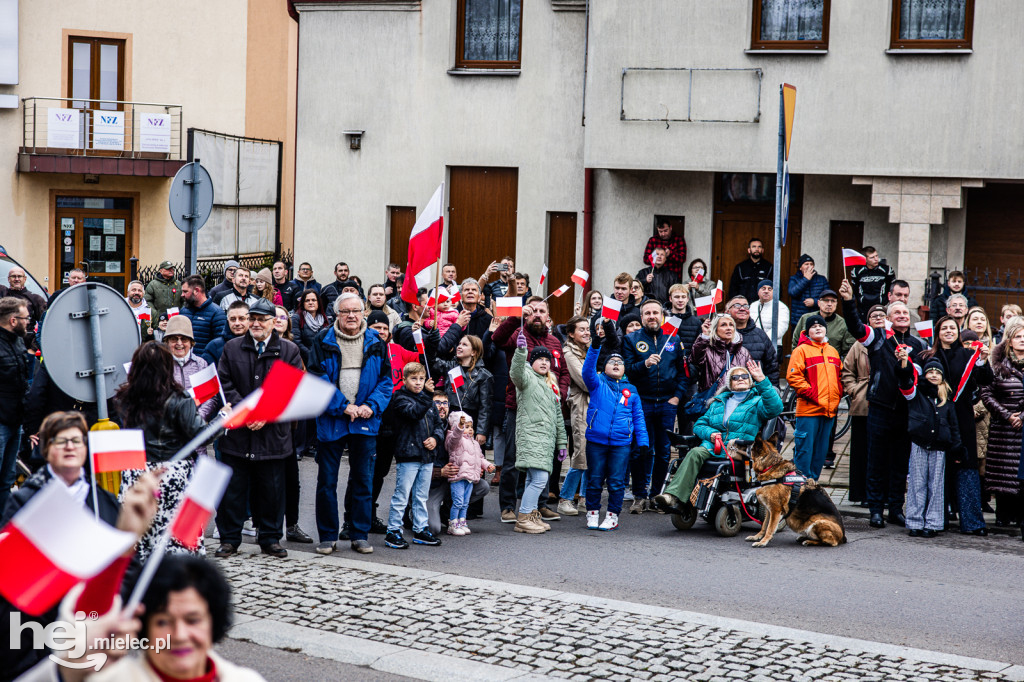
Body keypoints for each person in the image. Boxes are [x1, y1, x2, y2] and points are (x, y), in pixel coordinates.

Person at [1, 412, 160, 681]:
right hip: (37, 630)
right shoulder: (26, 501)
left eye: (77, 441)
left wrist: (110, 600)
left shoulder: (104, 502)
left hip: (91, 623)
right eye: (61, 441)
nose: (70, 447)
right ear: (47, 449)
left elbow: (127, 560)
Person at [116, 342, 222, 561]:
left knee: (140, 535)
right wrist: (222, 419)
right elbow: (201, 435)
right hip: (172, 473)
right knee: (177, 537)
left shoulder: (125, 398)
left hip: (137, 472)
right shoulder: (179, 399)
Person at [214, 298, 303, 559]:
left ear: (273, 323)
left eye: (261, 319)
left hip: (272, 434)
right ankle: (230, 539)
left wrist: (265, 414)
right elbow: (225, 384)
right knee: (233, 490)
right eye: (252, 318)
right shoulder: (231, 348)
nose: (254, 323)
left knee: (272, 490)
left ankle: (271, 538)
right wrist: (248, 411)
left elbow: (290, 388)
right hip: (239, 432)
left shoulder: (288, 350)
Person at [839, 278, 927, 529]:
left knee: (900, 464)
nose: (901, 315)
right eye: (895, 312)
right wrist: (849, 302)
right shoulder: (877, 338)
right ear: (889, 318)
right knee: (876, 462)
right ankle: (876, 510)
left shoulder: (919, 345)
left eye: (904, 312)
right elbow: (856, 327)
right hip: (879, 407)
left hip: (906, 411)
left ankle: (895, 509)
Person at [308, 293, 392, 555]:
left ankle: (359, 534)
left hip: (365, 420)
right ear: (337, 314)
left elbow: (386, 382)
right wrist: (343, 405)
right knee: (327, 481)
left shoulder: (376, 341)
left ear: (363, 312)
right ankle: (328, 536)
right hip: (333, 419)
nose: (352, 316)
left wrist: (371, 406)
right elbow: (316, 379)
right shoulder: (322, 340)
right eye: (346, 312)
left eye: (356, 311)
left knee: (363, 481)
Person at [654, 362, 782, 515]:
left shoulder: (757, 402)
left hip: (739, 448)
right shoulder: (718, 402)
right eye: (736, 377)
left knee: (710, 459)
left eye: (744, 376)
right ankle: (672, 497)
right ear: (730, 383)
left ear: (750, 381)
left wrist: (762, 379)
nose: (740, 379)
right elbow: (699, 424)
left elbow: (776, 408)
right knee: (694, 453)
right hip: (714, 445)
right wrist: (710, 434)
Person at [491, 299, 570, 524]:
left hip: (546, 411)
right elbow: (497, 339)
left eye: (541, 311)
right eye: (533, 311)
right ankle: (508, 507)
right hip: (518, 409)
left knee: (543, 457)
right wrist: (516, 317)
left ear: (548, 317)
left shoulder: (555, 341)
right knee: (512, 458)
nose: (537, 314)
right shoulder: (518, 334)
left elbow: (563, 372)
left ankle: (540, 505)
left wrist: (560, 393)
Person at [918, 316, 992, 536]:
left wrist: (983, 361)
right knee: (939, 469)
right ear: (937, 332)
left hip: (963, 419)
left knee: (966, 468)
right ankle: (936, 520)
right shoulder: (928, 356)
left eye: (953, 328)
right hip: (938, 419)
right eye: (944, 328)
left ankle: (972, 522)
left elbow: (986, 380)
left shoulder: (970, 355)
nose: (948, 331)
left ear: (958, 332)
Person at [622, 300, 689, 508]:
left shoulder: (674, 339)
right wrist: (645, 364)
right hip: (642, 403)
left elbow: (683, 373)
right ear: (641, 317)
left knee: (663, 452)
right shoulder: (631, 339)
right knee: (641, 449)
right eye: (647, 313)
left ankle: (656, 495)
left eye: (655, 313)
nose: (651, 316)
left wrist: (677, 396)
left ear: (662, 316)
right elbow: (626, 370)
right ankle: (639, 495)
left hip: (667, 403)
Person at [582, 324, 649, 531]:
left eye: (620, 362)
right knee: (594, 480)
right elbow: (587, 370)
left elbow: (638, 417)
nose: (617, 363)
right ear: (605, 367)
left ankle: (612, 515)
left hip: (621, 443)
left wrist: (643, 441)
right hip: (596, 441)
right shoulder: (596, 383)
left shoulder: (632, 390)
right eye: (612, 361)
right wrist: (594, 347)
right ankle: (592, 513)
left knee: (617, 482)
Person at [896, 350, 963, 538]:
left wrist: (957, 448)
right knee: (917, 484)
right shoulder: (915, 395)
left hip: (939, 449)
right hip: (919, 445)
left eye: (937, 372)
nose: (934, 375)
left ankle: (932, 523)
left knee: (936, 487)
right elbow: (904, 381)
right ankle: (915, 521)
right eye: (930, 372)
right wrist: (903, 363)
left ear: (942, 378)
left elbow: (954, 426)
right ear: (924, 375)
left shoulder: (947, 402)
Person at [509, 330, 568, 534]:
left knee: (534, 480)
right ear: (532, 361)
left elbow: (558, 417)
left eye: (547, 359)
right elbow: (516, 372)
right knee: (540, 480)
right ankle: (524, 517)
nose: (544, 362)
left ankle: (531, 513)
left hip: (546, 440)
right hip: (531, 437)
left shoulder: (551, 384)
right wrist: (521, 351)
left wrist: (562, 443)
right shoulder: (526, 378)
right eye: (540, 359)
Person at [382, 362, 445, 549]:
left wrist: (435, 438)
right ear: (404, 379)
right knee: (402, 494)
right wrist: (427, 395)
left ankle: (420, 528)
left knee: (421, 495)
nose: (418, 383)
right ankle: (393, 530)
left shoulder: (429, 400)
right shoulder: (400, 398)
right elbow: (413, 413)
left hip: (426, 456)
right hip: (408, 454)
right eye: (414, 379)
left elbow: (438, 425)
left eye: (421, 379)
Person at [271, 304, 314, 544]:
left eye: (282, 317)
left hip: (290, 424)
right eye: (274, 317)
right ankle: (267, 526)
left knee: (292, 479)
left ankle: (293, 525)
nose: (278, 320)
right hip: (268, 422)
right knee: (269, 480)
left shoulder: (293, 349)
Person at [979, 316, 1024, 531]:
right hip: (1003, 427)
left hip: (1022, 427)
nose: (1022, 340)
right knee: (1001, 473)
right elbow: (987, 393)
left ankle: (1020, 515)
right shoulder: (997, 366)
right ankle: (1003, 514)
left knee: (1019, 474)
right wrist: (1007, 415)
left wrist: (1021, 417)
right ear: (1009, 340)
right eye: (1018, 336)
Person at [786, 315, 843, 480]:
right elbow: (794, 377)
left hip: (829, 411)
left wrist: (838, 395)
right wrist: (813, 395)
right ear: (807, 331)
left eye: (821, 326)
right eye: (813, 326)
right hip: (809, 410)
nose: (818, 328)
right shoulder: (801, 350)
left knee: (820, 452)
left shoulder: (833, 351)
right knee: (804, 450)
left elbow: (839, 377)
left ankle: (814, 484)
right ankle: (801, 486)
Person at [558, 316, 592, 515]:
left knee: (591, 453)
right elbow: (586, 382)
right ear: (571, 333)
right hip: (580, 405)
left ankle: (584, 498)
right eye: (582, 329)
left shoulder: (586, 349)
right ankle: (565, 498)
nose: (587, 332)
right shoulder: (569, 353)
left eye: (588, 329)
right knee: (581, 452)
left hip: (592, 404)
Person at [163, 316, 222, 429]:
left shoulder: (201, 364)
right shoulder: (160, 364)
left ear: (191, 342)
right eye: (174, 339)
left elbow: (210, 397)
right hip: (168, 433)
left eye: (184, 339)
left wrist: (196, 419)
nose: (179, 343)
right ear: (167, 342)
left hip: (195, 431)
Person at [0, 297, 31, 511]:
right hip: (1, 421)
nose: (29, 322)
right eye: (25, 318)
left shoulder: (18, 341)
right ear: (13, 320)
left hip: (15, 421)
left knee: (7, 478)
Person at [445, 411, 494, 535]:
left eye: (471, 427)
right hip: (458, 476)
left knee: (465, 503)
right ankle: (453, 523)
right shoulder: (455, 439)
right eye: (466, 427)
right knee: (458, 501)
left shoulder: (474, 443)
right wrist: (460, 428)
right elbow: (454, 438)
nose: (470, 429)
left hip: (470, 477)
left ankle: (462, 521)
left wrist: (487, 465)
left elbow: (480, 457)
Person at [689, 314, 752, 395]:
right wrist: (705, 335)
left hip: (738, 399)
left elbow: (750, 377)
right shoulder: (707, 348)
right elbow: (695, 360)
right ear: (715, 329)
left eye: (731, 325)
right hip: (712, 400)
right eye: (723, 325)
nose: (729, 328)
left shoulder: (743, 351)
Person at [791, 289, 856, 365]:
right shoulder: (805, 318)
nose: (829, 304)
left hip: (831, 367)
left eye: (833, 301)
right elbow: (795, 343)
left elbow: (848, 352)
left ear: (837, 304)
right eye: (826, 300)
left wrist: (838, 368)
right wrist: (799, 363)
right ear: (818, 303)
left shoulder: (843, 324)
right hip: (807, 366)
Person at [841, 341, 870, 504]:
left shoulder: (892, 340)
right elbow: (847, 371)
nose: (878, 319)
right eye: (874, 316)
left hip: (887, 403)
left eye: (882, 315)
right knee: (861, 449)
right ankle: (861, 494)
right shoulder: (859, 345)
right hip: (862, 401)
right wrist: (855, 390)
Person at [726, 296, 779, 385]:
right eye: (737, 306)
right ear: (727, 311)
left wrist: (772, 389)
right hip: (725, 391)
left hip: (755, 391)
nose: (742, 309)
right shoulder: (720, 335)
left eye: (746, 306)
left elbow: (772, 366)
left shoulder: (760, 335)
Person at [181, 275, 227, 358]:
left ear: (196, 291)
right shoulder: (184, 311)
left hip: (205, 365)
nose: (182, 295)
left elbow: (219, 345)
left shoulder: (217, 313)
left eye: (185, 291)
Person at [849, 246, 895, 318]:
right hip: (863, 309)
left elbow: (892, 288)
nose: (876, 259)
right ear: (865, 259)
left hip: (881, 307)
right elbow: (854, 290)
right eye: (872, 257)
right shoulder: (857, 271)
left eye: (876, 256)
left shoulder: (887, 270)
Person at [3, 267, 46, 338]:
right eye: (13, 276)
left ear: (25, 279)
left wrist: (33, 347)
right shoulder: (2, 293)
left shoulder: (35, 299)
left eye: (19, 276)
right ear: (8, 279)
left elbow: (44, 325)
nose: (16, 279)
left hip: (26, 344)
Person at [202, 301, 249, 366]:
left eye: (241, 319)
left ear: (249, 320)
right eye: (233, 319)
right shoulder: (214, 347)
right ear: (228, 321)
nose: (237, 323)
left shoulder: (258, 344)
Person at [749, 280, 790, 353]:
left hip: (772, 346)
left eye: (770, 289)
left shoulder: (781, 307)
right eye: (763, 288)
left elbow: (780, 328)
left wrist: (761, 340)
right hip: (753, 345)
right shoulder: (753, 306)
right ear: (758, 291)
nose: (766, 291)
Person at [728, 237, 772, 304]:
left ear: (762, 250)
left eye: (759, 247)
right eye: (754, 246)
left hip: (763, 305)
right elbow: (733, 289)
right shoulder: (740, 267)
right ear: (749, 250)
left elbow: (776, 289)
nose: (757, 249)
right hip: (743, 306)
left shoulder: (769, 267)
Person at [787, 254, 829, 323]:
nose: (809, 266)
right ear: (800, 267)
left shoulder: (822, 279)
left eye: (811, 264)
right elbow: (792, 293)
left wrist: (815, 302)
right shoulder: (794, 279)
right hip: (798, 320)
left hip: (817, 319)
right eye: (806, 264)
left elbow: (827, 298)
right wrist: (806, 279)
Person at [291, 289, 329, 363]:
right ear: (303, 303)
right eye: (307, 300)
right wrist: (312, 356)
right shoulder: (296, 318)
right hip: (305, 360)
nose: (310, 303)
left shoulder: (324, 319)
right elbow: (296, 341)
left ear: (318, 302)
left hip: (322, 360)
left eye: (313, 300)